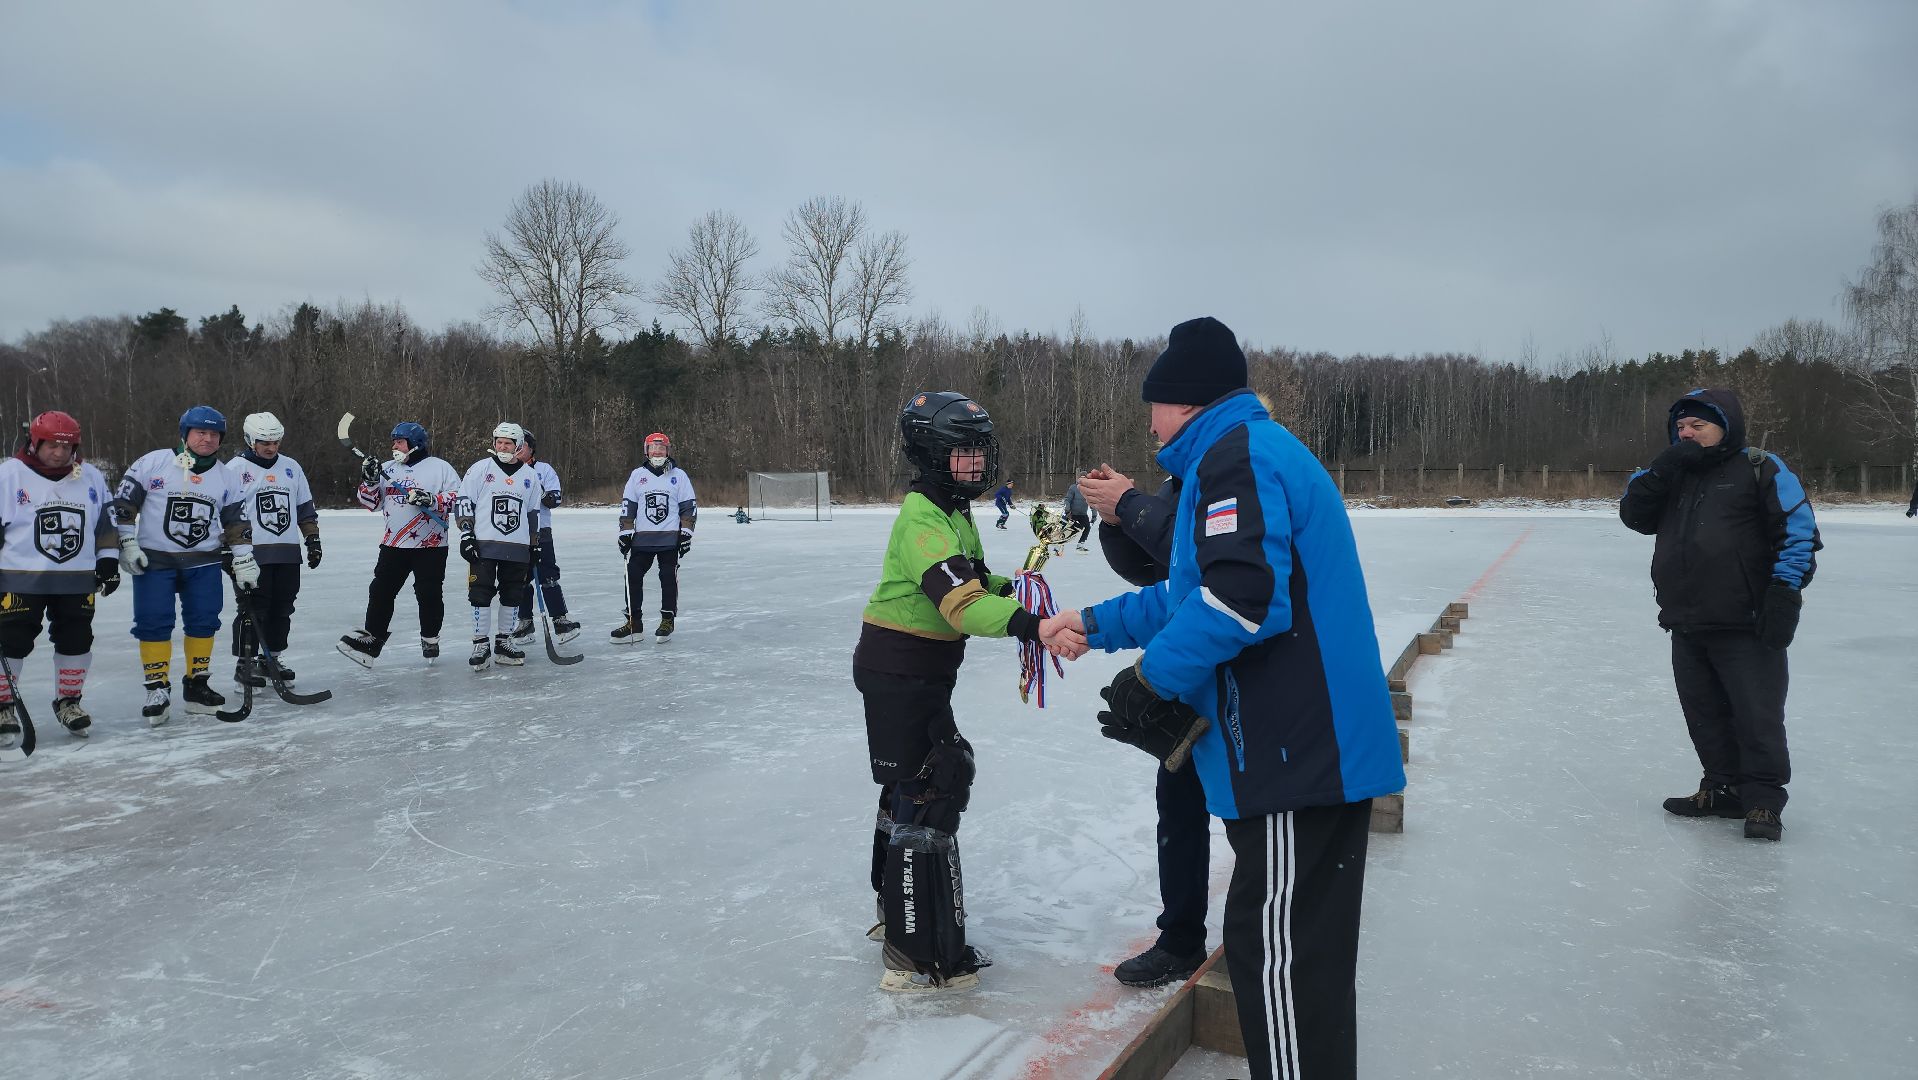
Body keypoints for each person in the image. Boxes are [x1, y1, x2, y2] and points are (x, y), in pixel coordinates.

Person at [1053, 317, 1405, 1079]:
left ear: (1183, 401)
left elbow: (1244, 598)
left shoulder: (1235, 456)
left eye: (1153, 403)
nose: (1148, 422)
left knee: (1276, 957)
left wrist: (1153, 682)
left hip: (1297, 756)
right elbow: (1188, 597)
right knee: (1289, 952)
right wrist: (1092, 623)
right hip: (1303, 754)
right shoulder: (1232, 456)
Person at [855, 391, 1074, 993]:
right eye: (964, 452)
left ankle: (895, 920)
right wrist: (1036, 626)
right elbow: (962, 605)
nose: (979, 462)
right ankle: (912, 953)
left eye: (982, 450)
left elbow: (975, 579)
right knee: (933, 784)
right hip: (899, 669)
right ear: (930, 455)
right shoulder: (923, 519)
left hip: (919, 670)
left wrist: (1021, 584)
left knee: (914, 785)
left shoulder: (952, 511)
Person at [1619, 387, 1819, 842]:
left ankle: (1764, 801)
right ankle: (1723, 787)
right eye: (1680, 427)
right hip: (1686, 618)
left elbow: (1799, 531)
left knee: (1756, 714)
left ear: (1724, 426)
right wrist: (1667, 465)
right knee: (1704, 713)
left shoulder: (1760, 467)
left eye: (1698, 426)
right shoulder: (1672, 473)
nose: (1686, 433)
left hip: (1746, 619)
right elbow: (1634, 513)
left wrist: (1785, 594)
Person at [1076, 461, 1212, 988]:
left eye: (1163, 408)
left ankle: (1268, 937)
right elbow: (1154, 573)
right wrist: (1116, 521)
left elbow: (1211, 579)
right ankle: (1180, 939)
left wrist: (1131, 505)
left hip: (1245, 684)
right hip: (1191, 679)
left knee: (1255, 822)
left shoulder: (1237, 474)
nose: (1155, 431)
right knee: (1178, 810)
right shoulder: (1183, 480)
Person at [111, 405, 258, 724]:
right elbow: (123, 506)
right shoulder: (152, 463)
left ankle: (197, 685)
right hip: (155, 561)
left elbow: (236, 523)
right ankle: (156, 687)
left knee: (204, 620)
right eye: (200, 432)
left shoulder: (227, 477)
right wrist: (126, 542)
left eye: (214, 434)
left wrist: (244, 559)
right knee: (153, 622)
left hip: (203, 562)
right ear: (185, 434)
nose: (207, 439)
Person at [0, 411, 119, 743]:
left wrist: (108, 562)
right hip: (20, 577)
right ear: (34, 442)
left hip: (75, 578)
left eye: (66, 447)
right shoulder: (9, 475)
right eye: (51, 445)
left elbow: (105, 526)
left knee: (76, 639)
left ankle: (69, 702)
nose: (59, 453)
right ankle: (2, 705)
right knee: (13, 640)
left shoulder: (90, 477)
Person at [338, 422, 462, 667]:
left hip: (431, 545)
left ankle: (430, 637)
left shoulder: (440, 468)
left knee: (428, 594)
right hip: (394, 544)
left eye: (400, 441)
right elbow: (370, 503)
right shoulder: (387, 469)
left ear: (415, 444)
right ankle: (372, 639)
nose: (394, 446)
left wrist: (431, 499)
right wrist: (370, 481)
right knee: (381, 591)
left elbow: (459, 499)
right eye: (393, 441)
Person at [224, 413, 321, 686]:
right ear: (250, 440)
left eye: (275, 442)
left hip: (288, 552)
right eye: (264, 442)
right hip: (251, 555)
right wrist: (226, 550)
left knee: (282, 608)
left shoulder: (291, 467)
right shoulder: (235, 468)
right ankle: (245, 663)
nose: (270, 447)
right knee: (253, 609)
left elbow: (304, 508)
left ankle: (271, 659)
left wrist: (312, 540)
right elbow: (225, 513)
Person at [456, 423, 548, 670]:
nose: (502, 447)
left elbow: (532, 514)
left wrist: (534, 545)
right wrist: (466, 534)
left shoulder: (530, 476)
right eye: (499, 442)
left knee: (512, 594)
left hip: (517, 547)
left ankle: (503, 642)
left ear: (518, 446)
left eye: (508, 443)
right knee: (480, 592)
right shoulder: (480, 469)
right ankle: (480, 643)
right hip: (484, 545)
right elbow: (464, 501)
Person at [611, 432, 695, 643]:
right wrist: (625, 532)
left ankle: (667, 619)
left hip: (669, 539)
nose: (657, 452)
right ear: (646, 451)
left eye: (661, 448)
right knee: (632, 574)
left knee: (667, 576)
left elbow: (688, 506)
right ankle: (634, 623)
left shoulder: (679, 476)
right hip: (643, 539)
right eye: (653, 448)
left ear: (668, 451)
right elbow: (628, 505)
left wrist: (686, 533)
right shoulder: (637, 475)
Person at [509, 431, 581, 645]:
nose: (517, 449)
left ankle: (560, 620)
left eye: (522, 446)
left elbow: (554, 499)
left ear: (531, 448)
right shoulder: (504, 471)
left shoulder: (543, 470)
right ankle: (525, 623)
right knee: (520, 579)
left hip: (541, 532)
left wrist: (539, 491)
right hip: (514, 533)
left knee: (547, 576)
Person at [1062, 477, 1094, 551]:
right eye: (1081, 479)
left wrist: (1094, 514)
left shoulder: (1089, 489)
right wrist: (1067, 510)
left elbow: (1092, 502)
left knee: (1087, 528)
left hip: (1083, 514)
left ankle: (1080, 545)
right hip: (1073, 514)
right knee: (1067, 529)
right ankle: (1058, 545)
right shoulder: (1073, 488)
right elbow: (1068, 500)